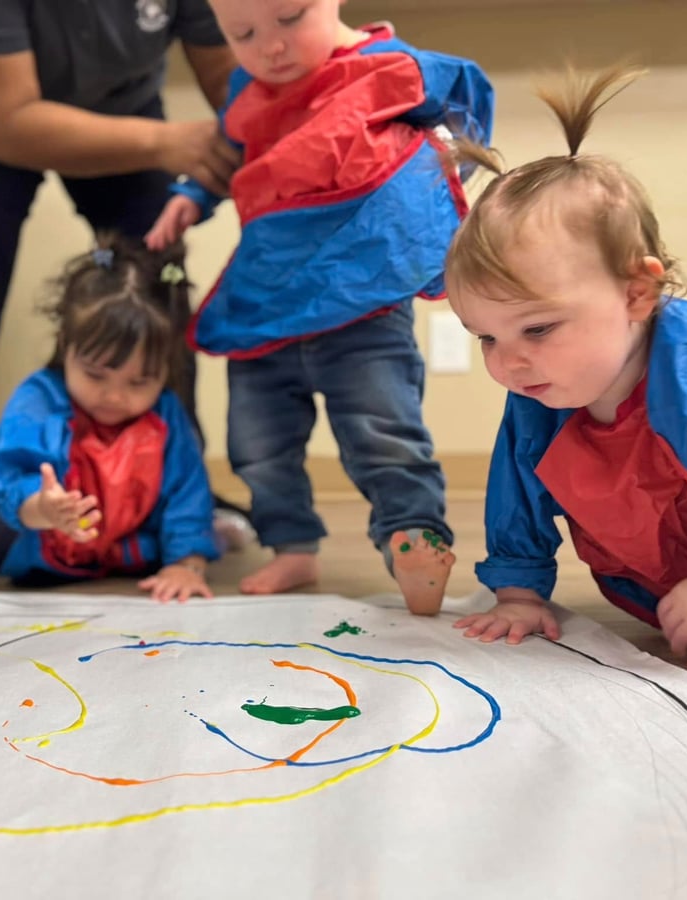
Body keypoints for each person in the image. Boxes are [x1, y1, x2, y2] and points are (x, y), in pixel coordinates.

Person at [145, 2, 493, 610]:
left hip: (362, 303)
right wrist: (190, 198)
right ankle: (293, 548)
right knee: (256, 443)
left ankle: (412, 537)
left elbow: (466, 101)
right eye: (242, 34)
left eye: (289, 18)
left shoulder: (391, 65)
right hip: (268, 302)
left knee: (384, 430)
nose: (270, 46)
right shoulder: (243, 90)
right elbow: (225, 159)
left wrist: (444, 167)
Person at [0, 0, 245, 569]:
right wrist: (167, 144)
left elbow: (231, 83)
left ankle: (176, 496)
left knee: (161, 297)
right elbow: (10, 124)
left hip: (127, 96)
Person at [445, 64, 687, 672]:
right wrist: (519, 593)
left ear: (638, 294)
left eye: (537, 328)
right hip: (674, 605)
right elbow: (519, 495)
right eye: (485, 336)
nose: (508, 361)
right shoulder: (540, 393)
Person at [0, 234, 220, 602]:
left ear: (166, 369)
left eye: (140, 381)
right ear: (65, 344)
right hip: (43, 531)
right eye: (95, 374)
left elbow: (187, 492)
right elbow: (15, 474)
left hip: (129, 535)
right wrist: (40, 507)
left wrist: (186, 563)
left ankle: (209, 536)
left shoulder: (165, 414)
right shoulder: (39, 400)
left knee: (188, 537)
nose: (115, 396)